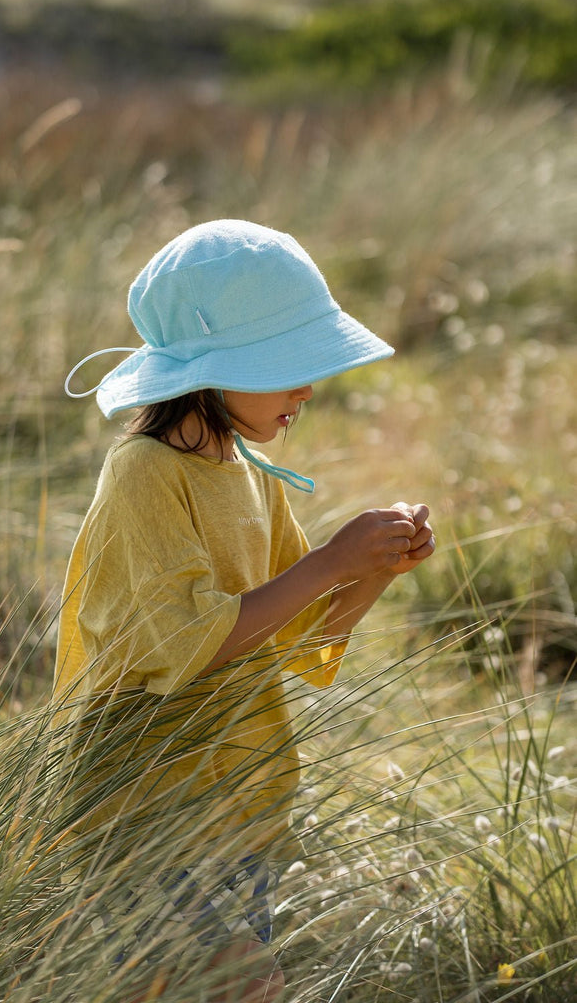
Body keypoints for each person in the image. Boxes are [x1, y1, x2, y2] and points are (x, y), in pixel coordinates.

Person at [53, 219, 435, 1002]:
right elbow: (189, 642)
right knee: (234, 983)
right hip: (145, 801)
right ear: (210, 372)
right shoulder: (144, 475)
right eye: (286, 365)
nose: (305, 386)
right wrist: (330, 559)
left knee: (191, 989)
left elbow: (301, 637)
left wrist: (369, 571)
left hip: (238, 798)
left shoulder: (251, 473)